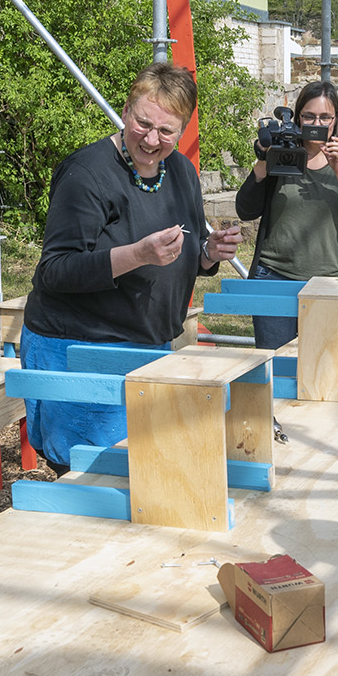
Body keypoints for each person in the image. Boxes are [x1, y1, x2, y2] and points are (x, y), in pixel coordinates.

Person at [21, 63, 241, 470]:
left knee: (142, 473)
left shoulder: (180, 173)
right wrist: (137, 254)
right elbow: (56, 270)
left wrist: (208, 253)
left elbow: (180, 258)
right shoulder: (86, 174)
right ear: (125, 111)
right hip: (81, 348)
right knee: (92, 475)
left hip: (148, 347)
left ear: (182, 131)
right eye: (143, 123)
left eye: (167, 131)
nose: (152, 139)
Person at [234, 80, 338, 349]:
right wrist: (263, 161)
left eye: (324, 117)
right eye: (309, 116)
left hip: (329, 281)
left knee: (323, 373)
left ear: (335, 120)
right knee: (276, 368)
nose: (317, 123)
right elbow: (245, 209)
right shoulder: (281, 157)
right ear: (298, 118)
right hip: (273, 277)